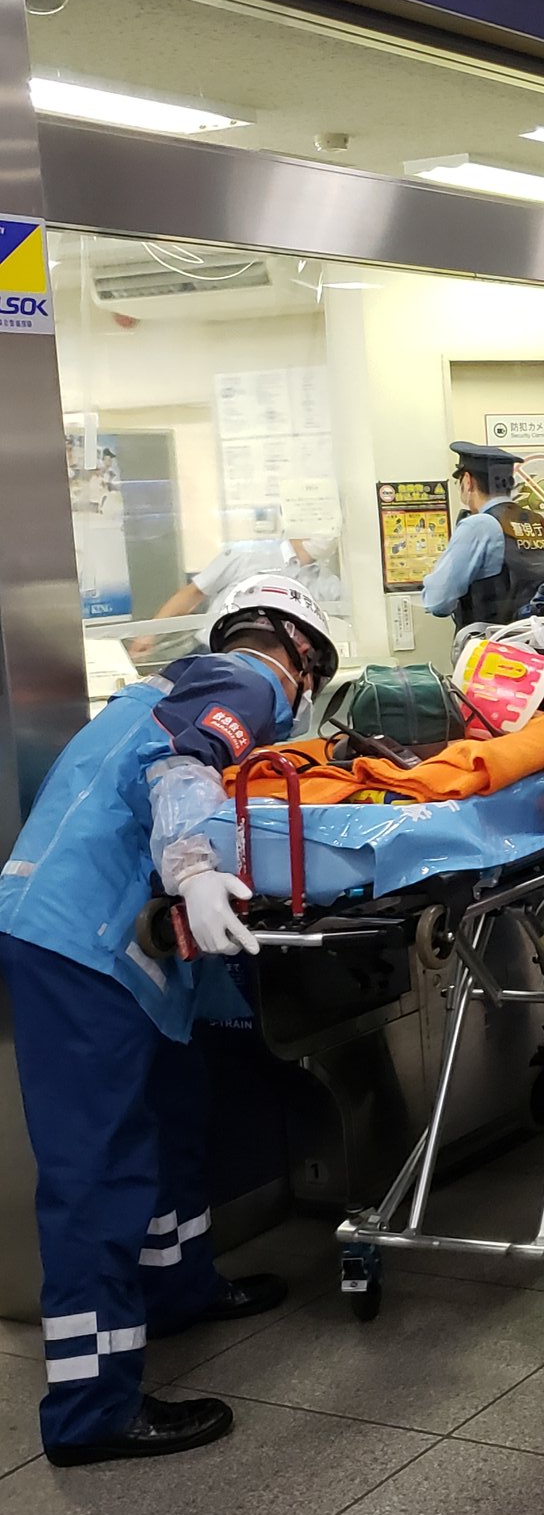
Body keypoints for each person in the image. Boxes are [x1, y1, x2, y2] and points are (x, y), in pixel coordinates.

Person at [0, 574, 340, 1467]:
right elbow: (180, 771)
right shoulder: (249, 680)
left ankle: (179, 1286)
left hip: (104, 940)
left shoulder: (161, 685)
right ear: (301, 657)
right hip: (80, 946)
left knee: (175, 1110)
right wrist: (195, 865)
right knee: (99, 1171)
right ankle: (91, 1410)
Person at [128, 530, 343, 662]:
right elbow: (193, 594)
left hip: (276, 665)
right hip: (213, 653)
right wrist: (149, 634)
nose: (328, 533)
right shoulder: (247, 555)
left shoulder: (327, 582)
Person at [421, 442, 544, 630]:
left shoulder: (478, 525)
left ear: (467, 481)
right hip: (543, 647)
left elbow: (438, 601)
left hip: (493, 650)